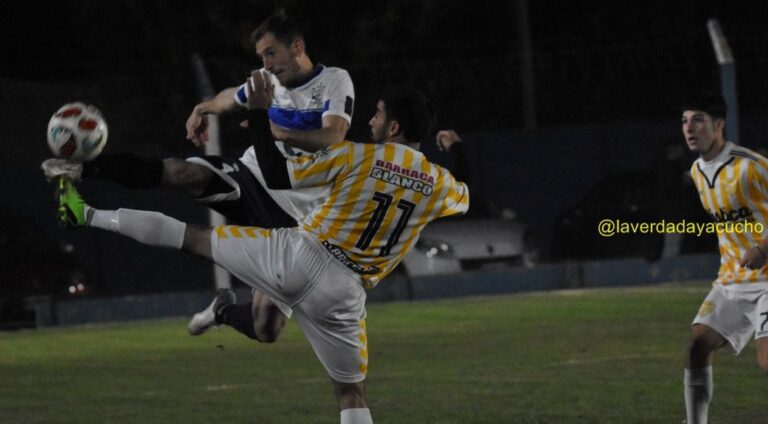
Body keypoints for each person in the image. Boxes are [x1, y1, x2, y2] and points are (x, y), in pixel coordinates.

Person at [55, 73, 468, 423]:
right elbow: (467, 190)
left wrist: (258, 112)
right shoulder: (439, 184)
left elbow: (275, 172)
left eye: (378, 114)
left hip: (297, 255)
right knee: (351, 395)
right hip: (347, 292)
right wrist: (455, 148)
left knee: (194, 239)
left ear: (393, 128)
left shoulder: (358, 156)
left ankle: (87, 216)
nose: (372, 119)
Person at [42, 11, 355, 343]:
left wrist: (279, 132)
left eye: (271, 53)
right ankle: (81, 170)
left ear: (297, 47)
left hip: (297, 216)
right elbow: (230, 97)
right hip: (252, 178)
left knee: (266, 328)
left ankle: (222, 311)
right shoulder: (266, 82)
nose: (266, 63)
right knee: (181, 172)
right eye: (261, 56)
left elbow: (334, 135)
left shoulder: (333, 81)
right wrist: (203, 108)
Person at [682, 92, 768, 424]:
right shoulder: (697, 172)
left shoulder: (751, 166)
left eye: (698, 120)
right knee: (697, 346)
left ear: (718, 125)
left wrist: (762, 249)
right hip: (732, 280)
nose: (689, 128)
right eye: (685, 121)